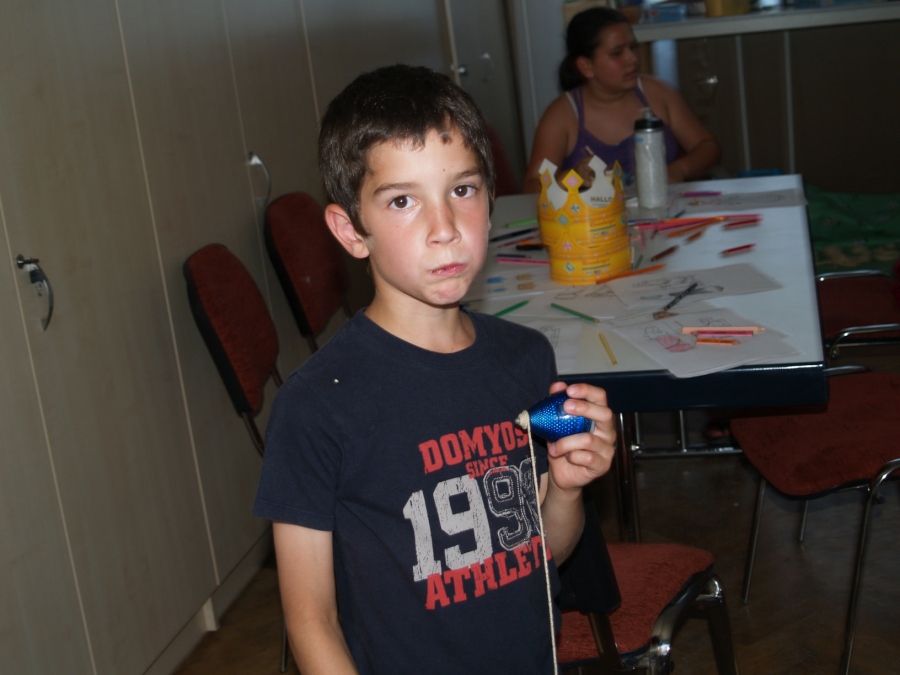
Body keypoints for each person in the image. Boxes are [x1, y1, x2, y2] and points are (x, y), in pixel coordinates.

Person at [253, 64, 617, 674]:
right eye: (403, 201)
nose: (444, 230)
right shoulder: (316, 406)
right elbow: (311, 622)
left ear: (492, 199)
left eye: (462, 190)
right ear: (351, 230)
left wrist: (568, 486)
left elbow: (541, 556)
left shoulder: (527, 359)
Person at [523, 7, 720, 193]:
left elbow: (708, 147)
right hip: (595, 218)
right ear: (586, 66)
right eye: (617, 53)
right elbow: (531, 186)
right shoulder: (561, 116)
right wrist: (572, 177)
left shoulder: (658, 93)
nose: (632, 59)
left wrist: (680, 170)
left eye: (633, 48)